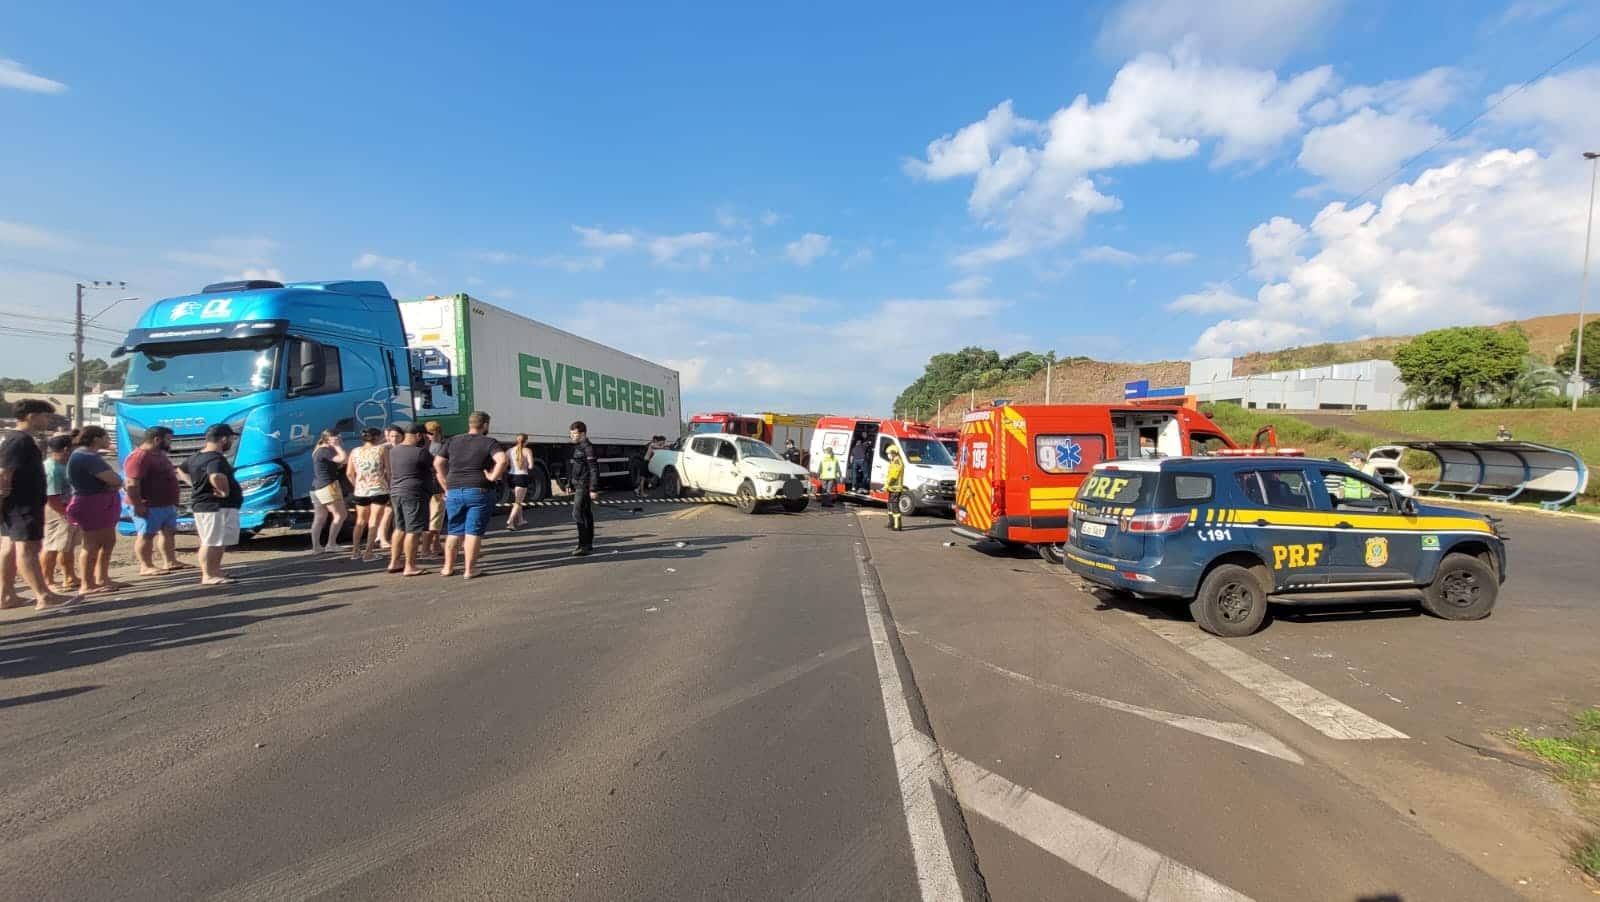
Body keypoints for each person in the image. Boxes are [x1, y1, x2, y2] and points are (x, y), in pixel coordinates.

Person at [0, 400, 80, 609]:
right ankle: (44, 596)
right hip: (21, 504)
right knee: (27, 548)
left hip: (18, 504)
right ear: (31, 416)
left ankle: (6, 595)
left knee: (10, 547)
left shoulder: (18, 439)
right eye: (46, 416)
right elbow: (4, 472)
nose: (48, 421)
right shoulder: (19, 440)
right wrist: (4, 496)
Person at [434, 411, 507, 579]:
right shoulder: (489, 442)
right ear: (485, 425)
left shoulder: (452, 440)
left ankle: (447, 568)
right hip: (478, 490)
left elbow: (438, 463)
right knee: (473, 532)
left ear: (470, 424)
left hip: (454, 490)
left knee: (454, 531)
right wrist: (492, 477)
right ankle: (470, 570)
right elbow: (502, 460)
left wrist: (446, 483)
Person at [66, 426, 126, 596]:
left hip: (100, 501)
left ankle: (102, 577)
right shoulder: (87, 457)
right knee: (92, 544)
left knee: (107, 541)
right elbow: (114, 480)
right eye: (106, 437)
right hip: (91, 503)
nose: (109, 440)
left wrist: (114, 483)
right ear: (96, 439)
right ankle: (87, 583)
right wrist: (115, 483)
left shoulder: (88, 456)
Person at [184, 423, 242, 585]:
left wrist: (195, 484)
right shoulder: (215, 458)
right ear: (223, 439)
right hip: (214, 506)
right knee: (211, 541)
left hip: (209, 505)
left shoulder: (196, 456)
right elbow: (216, 476)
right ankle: (208, 574)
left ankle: (215, 570)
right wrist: (224, 491)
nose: (232, 442)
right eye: (231, 438)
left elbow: (181, 470)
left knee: (218, 541)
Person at [124, 425, 186, 575]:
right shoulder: (139, 457)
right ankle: (146, 566)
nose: (170, 443)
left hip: (166, 504)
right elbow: (132, 484)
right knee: (146, 535)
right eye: (168, 439)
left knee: (168, 532)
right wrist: (138, 505)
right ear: (157, 439)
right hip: (149, 505)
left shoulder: (159, 455)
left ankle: (170, 561)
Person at [386, 423, 434, 576]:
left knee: (400, 528)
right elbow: (434, 464)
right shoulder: (420, 452)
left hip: (396, 491)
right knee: (413, 530)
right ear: (419, 435)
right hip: (414, 493)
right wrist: (428, 445)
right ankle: (410, 566)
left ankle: (394, 562)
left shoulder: (394, 451)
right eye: (424, 436)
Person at [41, 433, 81, 591]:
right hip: (57, 510)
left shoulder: (63, 465)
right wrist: (65, 513)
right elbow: (52, 496)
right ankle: (47, 581)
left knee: (67, 546)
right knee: (52, 546)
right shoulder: (52, 469)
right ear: (66, 449)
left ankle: (69, 576)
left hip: (68, 508)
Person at [346, 427, 391, 562]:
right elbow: (388, 471)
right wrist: (389, 485)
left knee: (360, 521)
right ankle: (368, 553)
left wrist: (356, 485)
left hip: (361, 490)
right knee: (374, 521)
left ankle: (355, 551)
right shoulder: (381, 450)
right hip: (379, 489)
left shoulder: (355, 451)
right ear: (377, 437)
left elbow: (349, 473)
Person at [309, 429, 348, 554]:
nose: (340, 439)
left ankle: (316, 547)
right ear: (330, 439)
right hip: (328, 486)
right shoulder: (325, 450)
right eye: (338, 437)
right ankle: (331, 544)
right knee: (340, 514)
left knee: (320, 517)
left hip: (316, 487)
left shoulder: (318, 450)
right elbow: (343, 459)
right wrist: (337, 446)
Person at [568, 420, 598, 556]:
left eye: (574, 433)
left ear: (583, 433)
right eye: (571, 433)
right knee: (585, 513)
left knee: (577, 513)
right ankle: (587, 544)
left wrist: (593, 489)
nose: (572, 436)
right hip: (578, 484)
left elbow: (594, 469)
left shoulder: (588, 448)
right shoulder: (578, 447)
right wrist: (569, 483)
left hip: (584, 485)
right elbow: (576, 467)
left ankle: (583, 544)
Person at [377, 424, 405, 550]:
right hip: (389, 483)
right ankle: (382, 538)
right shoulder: (384, 448)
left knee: (396, 512)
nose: (394, 439)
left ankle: (393, 536)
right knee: (388, 512)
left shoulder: (404, 448)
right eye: (391, 436)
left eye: (396, 436)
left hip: (400, 482)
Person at [424, 421, 447, 557]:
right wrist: (445, 487)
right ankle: (427, 548)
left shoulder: (424, 446)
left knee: (435, 516)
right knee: (435, 517)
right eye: (428, 433)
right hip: (436, 485)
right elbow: (440, 470)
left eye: (431, 433)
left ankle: (436, 544)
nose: (429, 435)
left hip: (427, 484)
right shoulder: (439, 447)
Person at [506, 433, 534, 530]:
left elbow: (506, 463)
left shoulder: (509, 450)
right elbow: (531, 466)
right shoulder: (527, 450)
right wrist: (525, 464)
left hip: (511, 477)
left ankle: (521, 520)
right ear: (526, 441)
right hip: (522, 477)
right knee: (518, 501)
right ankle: (510, 522)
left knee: (517, 500)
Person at [884, 444, 906, 531]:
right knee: (890, 506)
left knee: (895, 507)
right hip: (892, 488)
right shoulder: (893, 461)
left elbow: (894, 476)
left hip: (895, 489)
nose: (888, 455)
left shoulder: (897, 462)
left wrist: (887, 485)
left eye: (889, 453)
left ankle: (897, 526)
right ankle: (891, 522)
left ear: (893, 453)